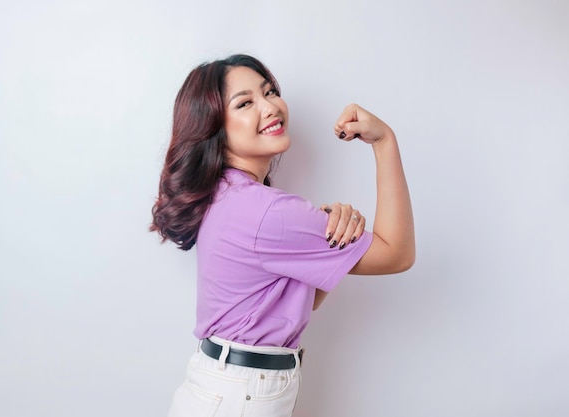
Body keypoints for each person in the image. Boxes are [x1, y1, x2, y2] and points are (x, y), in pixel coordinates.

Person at [150, 54, 415, 417]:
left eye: (270, 92)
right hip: (239, 396)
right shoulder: (268, 212)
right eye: (245, 103)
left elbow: (298, 301)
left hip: (223, 388)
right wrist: (385, 141)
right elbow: (398, 253)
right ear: (214, 127)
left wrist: (330, 248)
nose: (270, 106)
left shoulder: (227, 194)